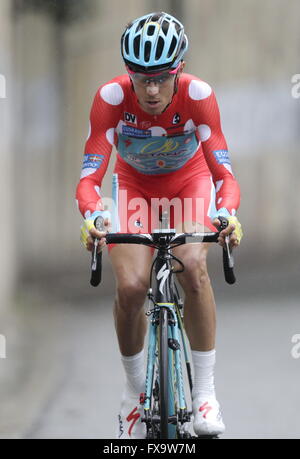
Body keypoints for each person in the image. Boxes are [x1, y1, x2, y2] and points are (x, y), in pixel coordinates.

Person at [76, 11, 243, 439]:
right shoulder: (111, 98)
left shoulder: (198, 95)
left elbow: (224, 174)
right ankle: (133, 396)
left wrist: (226, 213)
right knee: (131, 286)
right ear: (129, 73)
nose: (151, 90)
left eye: (162, 78)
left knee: (194, 265)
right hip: (133, 188)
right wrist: (94, 214)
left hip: (189, 184)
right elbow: (89, 179)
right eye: (141, 78)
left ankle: (205, 393)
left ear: (179, 70)